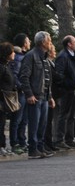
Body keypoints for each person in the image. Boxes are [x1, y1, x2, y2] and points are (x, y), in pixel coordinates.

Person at [19, 31, 56, 159]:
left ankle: (40, 147)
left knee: (42, 124)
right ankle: (33, 149)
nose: (50, 42)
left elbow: (47, 79)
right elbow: (24, 76)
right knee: (34, 124)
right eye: (49, 40)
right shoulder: (31, 56)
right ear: (42, 42)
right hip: (35, 96)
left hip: (44, 97)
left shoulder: (45, 58)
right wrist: (29, 94)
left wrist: (50, 97)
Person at [53, 35, 75, 149]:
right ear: (69, 44)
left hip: (74, 90)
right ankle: (59, 139)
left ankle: (69, 139)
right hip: (66, 90)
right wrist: (68, 84)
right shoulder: (63, 56)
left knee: (72, 116)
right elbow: (59, 75)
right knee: (63, 115)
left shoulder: (72, 56)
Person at [9, 33, 31, 154]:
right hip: (20, 93)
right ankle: (15, 142)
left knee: (24, 119)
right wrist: (22, 87)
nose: (30, 42)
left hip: (26, 92)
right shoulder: (18, 57)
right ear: (23, 43)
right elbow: (15, 75)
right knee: (17, 118)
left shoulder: (24, 56)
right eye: (28, 41)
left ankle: (22, 141)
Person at [0, 42, 17, 156]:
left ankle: (2, 146)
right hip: (1, 99)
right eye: (12, 51)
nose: (14, 53)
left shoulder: (6, 65)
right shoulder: (1, 67)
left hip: (6, 99)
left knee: (2, 123)